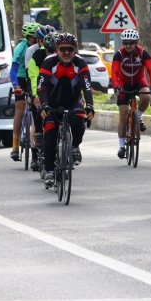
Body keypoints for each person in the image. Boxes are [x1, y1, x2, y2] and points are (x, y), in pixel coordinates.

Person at [37, 32, 95, 188]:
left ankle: (75, 146)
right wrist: (44, 104)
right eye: (63, 49)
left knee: (79, 121)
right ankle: (49, 170)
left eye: (70, 49)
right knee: (50, 132)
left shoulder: (80, 63)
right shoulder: (49, 62)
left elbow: (87, 86)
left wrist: (90, 104)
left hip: (73, 102)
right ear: (57, 49)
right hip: (52, 103)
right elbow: (41, 87)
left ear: (75, 49)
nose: (66, 53)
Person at [111, 28, 151, 159]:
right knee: (124, 114)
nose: (128, 46)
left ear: (136, 42)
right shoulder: (119, 54)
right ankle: (121, 146)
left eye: (131, 43)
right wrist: (117, 86)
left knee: (146, 96)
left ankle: (138, 115)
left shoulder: (143, 53)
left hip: (138, 81)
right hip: (123, 83)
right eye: (125, 43)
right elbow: (114, 72)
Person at [26, 25, 56, 171]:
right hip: (38, 88)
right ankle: (35, 154)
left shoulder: (61, 54)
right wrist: (35, 95)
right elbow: (33, 77)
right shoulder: (36, 55)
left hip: (56, 92)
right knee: (36, 113)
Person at [9, 22, 40, 161]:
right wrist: (16, 85)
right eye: (33, 37)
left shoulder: (39, 48)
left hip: (33, 76)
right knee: (20, 108)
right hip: (21, 77)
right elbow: (13, 70)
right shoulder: (21, 47)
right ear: (28, 37)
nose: (35, 39)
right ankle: (15, 146)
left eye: (36, 37)